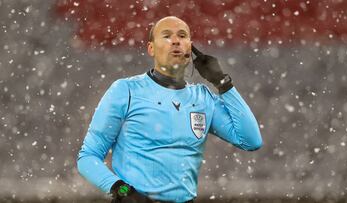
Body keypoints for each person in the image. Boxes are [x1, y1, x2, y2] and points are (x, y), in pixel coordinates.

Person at [77, 16, 263, 203]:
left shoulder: (203, 98)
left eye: (182, 36)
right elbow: (88, 157)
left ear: (190, 48)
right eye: (166, 36)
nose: (175, 40)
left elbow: (250, 140)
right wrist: (123, 191)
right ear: (151, 48)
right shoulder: (125, 91)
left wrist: (222, 82)